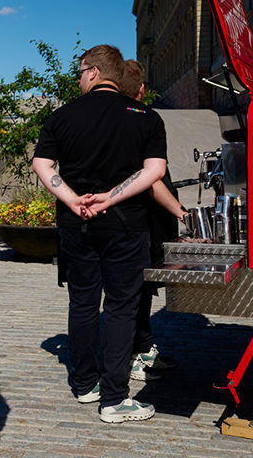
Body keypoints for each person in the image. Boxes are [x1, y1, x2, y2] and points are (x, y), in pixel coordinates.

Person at [31, 44, 167, 423]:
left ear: (92, 72)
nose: (78, 80)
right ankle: (114, 398)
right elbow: (154, 170)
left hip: (77, 224)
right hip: (126, 225)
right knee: (122, 307)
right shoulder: (144, 116)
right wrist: (110, 197)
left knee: (84, 303)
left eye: (80, 73)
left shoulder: (62, 117)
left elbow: (42, 164)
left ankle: (86, 384)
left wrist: (75, 200)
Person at [120, 59, 184, 381]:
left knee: (142, 291)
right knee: (136, 291)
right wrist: (182, 213)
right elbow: (151, 179)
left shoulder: (122, 120)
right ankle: (133, 354)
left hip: (138, 222)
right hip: (141, 222)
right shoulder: (144, 120)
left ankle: (143, 347)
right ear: (142, 90)